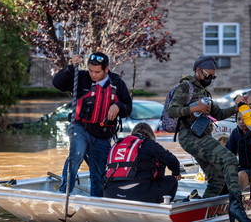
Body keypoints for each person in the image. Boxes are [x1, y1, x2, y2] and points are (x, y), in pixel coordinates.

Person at [166, 55, 251, 222]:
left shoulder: (204, 92)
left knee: (217, 177)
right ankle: (236, 207)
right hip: (190, 137)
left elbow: (219, 114)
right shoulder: (186, 86)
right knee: (229, 159)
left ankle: (203, 215)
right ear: (198, 71)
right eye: (208, 75)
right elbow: (172, 111)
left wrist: (238, 107)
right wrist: (194, 108)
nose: (211, 79)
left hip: (202, 137)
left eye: (213, 77)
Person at [52, 51, 132, 197]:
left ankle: (97, 200)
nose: (93, 74)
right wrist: (70, 67)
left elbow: (128, 108)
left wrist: (118, 106)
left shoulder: (117, 83)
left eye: (97, 72)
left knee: (100, 174)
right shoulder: (80, 77)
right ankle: (64, 193)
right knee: (76, 155)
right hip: (80, 128)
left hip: (102, 135)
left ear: (106, 69)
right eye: (90, 70)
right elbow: (57, 84)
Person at [103, 123, 182, 203]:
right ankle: (159, 209)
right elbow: (171, 159)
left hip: (110, 193)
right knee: (171, 180)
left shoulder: (117, 144)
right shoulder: (147, 143)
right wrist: (176, 172)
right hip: (137, 195)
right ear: (151, 135)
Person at [225, 89, 251, 191]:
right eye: (238, 119)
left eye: (244, 119)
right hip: (243, 167)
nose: (241, 122)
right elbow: (228, 152)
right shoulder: (236, 133)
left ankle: (243, 202)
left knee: (242, 175)